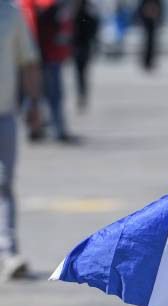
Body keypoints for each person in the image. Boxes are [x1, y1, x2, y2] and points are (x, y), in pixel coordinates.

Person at [0, 0, 42, 282]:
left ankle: (8, 252)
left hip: (4, 114)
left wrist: (35, 103)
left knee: (3, 181)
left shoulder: (10, 13)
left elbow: (27, 60)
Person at [37, 0, 75, 142]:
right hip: (49, 57)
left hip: (45, 56)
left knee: (45, 95)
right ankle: (56, 129)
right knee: (54, 95)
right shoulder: (50, 6)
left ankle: (40, 127)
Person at [72, 0, 98, 111]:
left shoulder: (79, 13)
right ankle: (82, 95)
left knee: (81, 74)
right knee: (81, 74)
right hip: (81, 46)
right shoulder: (86, 12)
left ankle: (82, 95)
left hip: (82, 46)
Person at [137, 0, 162, 71]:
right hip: (147, 19)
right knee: (147, 41)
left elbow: (159, 7)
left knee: (151, 41)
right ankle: (146, 61)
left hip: (152, 19)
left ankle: (149, 61)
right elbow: (141, 8)